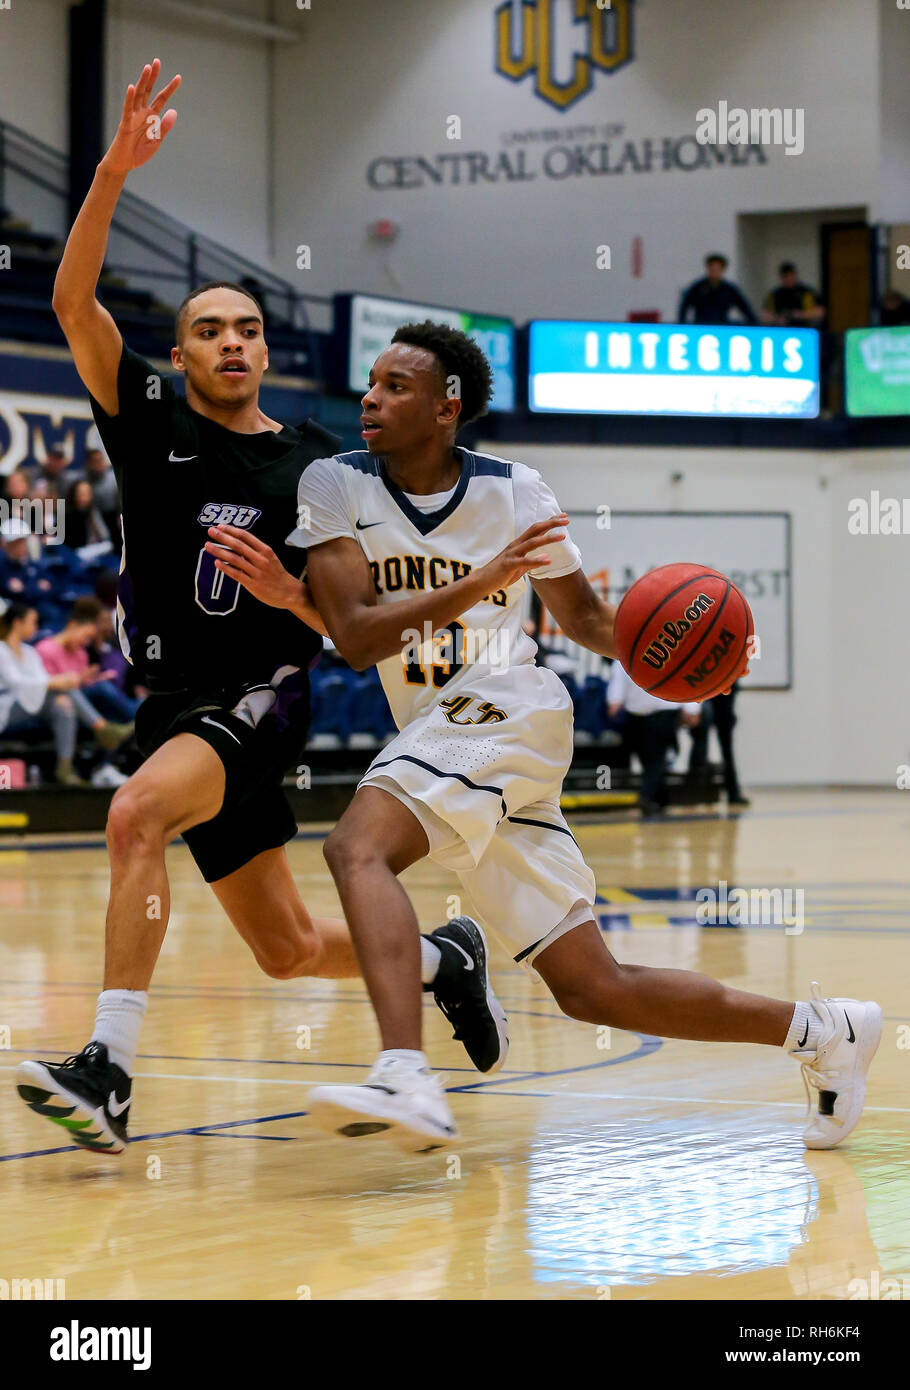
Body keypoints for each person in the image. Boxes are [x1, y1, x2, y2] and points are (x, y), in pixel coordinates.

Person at [212, 320, 882, 1156]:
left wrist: (704, 661)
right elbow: (356, 636)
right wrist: (312, 598)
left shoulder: (515, 490)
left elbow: (593, 622)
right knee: (591, 989)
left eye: (394, 385)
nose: (370, 398)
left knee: (357, 849)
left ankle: (406, 1075)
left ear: (447, 407)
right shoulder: (336, 483)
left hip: (510, 706)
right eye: (371, 383)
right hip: (440, 734)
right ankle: (824, 1031)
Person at [16, 61, 504, 1157]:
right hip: (173, 696)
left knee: (133, 814)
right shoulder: (142, 417)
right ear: (178, 354)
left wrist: (293, 592)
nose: (232, 340)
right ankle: (444, 959)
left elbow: (356, 619)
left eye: (247, 327)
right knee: (283, 947)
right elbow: (69, 301)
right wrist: (111, 173)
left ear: (264, 349)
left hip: (261, 696)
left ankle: (109, 1070)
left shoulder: (316, 469)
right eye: (209, 329)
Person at [35, 597, 134, 773]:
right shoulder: (45, 648)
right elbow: (45, 687)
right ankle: (133, 716)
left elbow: (80, 688)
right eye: (86, 636)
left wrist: (92, 679)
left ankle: (104, 765)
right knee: (92, 691)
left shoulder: (81, 654)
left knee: (103, 691)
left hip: (77, 702)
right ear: (72, 626)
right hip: (48, 703)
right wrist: (81, 680)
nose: (86, 642)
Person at [606, 660, 700, 817]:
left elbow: (684, 672)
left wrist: (691, 708)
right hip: (638, 713)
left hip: (662, 710)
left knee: (657, 758)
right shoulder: (627, 651)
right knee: (649, 758)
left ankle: (647, 796)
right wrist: (615, 701)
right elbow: (619, 675)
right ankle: (660, 798)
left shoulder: (668, 648)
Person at [0, 602, 81, 781]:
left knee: (63, 704)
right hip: (7, 708)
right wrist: (54, 682)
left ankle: (65, 765)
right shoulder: (1, 650)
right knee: (64, 694)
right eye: (32, 622)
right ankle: (101, 726)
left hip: (32, 706)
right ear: (17, 622)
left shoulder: (29, 652)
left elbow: (41, 680)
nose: (35, 627)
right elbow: (16, 683)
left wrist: (54, 683)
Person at [677, 254, 757, 326]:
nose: (715, 273)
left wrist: (754, 323)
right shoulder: (697, 287)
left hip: (722, 326)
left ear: (722, 270)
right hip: (701, 325)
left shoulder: (729, 289)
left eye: (718, 269)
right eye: (712, 269)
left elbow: (744, 307)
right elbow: (684, 306)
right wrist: (682, 324)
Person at [760, 262, 825, 327]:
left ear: (795, 275)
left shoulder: (806, 292)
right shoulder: (775, 294)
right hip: (781, 330)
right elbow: (764, 315)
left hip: (803, 329)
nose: (789, 279)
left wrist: (800, 315)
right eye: (785, 276)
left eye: (791, 275)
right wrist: (776, 318)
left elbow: (820, 312)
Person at [83, 447, 122, 549]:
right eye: (95, 461)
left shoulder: (113, 478)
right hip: (95, 519)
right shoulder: (85, 481)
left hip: (116, 516)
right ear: (89, 464)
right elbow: (92, 511)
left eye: (101, 460)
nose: (99, 464)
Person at [63, 476, 111, 551]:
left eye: (87, 494)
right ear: (73, 495)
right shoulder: (66, 515)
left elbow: (105, 535)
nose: (84, 498)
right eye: (81, 494)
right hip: (75, 552)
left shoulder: (93, 512)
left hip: (94, 550)